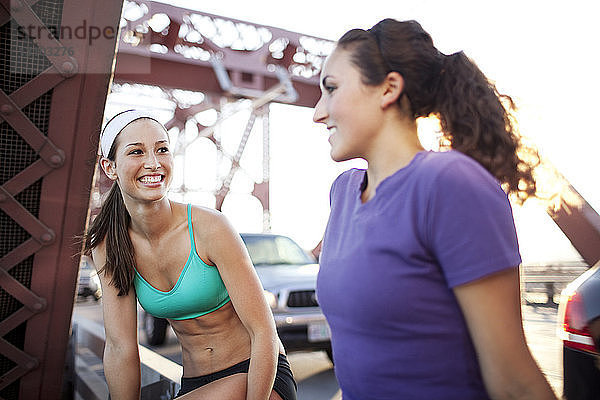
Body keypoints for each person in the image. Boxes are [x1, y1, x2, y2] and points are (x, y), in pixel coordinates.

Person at [312, 19, 557, 400]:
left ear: (388, 89)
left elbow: (513, 384)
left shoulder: (449, 184)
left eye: (331, 89)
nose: (318, 112)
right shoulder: (342, 193)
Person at [83, 110, 296, 400]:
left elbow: (263, 332)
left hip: (258, 375)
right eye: (136, 152)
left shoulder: (210, 227)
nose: (153, 163)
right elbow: (120, 346)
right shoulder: (110, 244)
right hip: (195, 382)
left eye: (162, 149)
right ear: (110, 167)